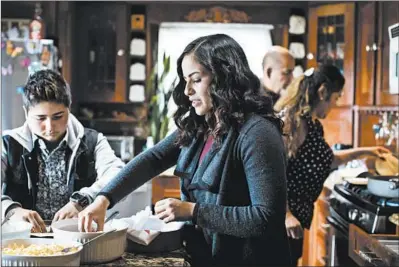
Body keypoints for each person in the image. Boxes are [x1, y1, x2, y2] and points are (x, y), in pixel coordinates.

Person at [78, 34, 290, 266]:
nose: (187, 90)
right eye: (185, 80)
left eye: (196, 79)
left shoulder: (258, 133)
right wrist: (103, 200)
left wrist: (193, 211)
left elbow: (266, 219)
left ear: (224, 77)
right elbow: (153, 159)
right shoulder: (201, 126)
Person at [274, 65, 391, 266]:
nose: (334, 105)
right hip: (282, 223)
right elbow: (274, 170)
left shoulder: (311, 124)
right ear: (322, 92)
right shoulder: (291, 122)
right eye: (336, 98)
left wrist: (367, 151)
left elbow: (329, 159)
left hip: (296, 220)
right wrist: (286, 214)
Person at [1, 69, 124, 232]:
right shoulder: (8, 143)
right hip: (23, 241)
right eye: (41, 118)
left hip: (78, 238)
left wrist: (81, 201)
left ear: (69, 108)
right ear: (26, 113)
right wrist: (11, 210)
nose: (50, 127)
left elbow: (117, 174)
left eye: (58, 116)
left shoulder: (92, 141)